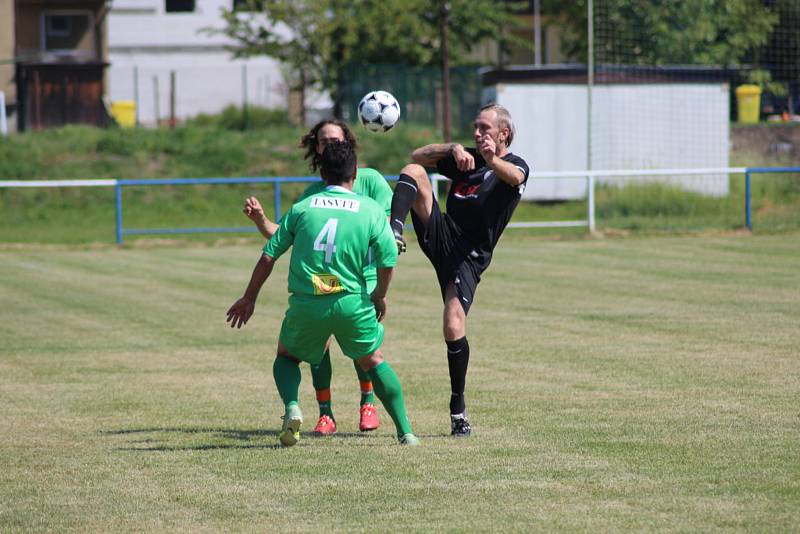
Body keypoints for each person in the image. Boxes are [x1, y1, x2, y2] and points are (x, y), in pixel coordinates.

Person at [227, 141, 419, 447]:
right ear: (355, 173)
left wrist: (249, 297)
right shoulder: (369, 210)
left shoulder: (303, 208)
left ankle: (292, 407)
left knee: (287, 358)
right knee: (373, 360)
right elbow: (388, 260)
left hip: (308, 303)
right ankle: (406, 432)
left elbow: (268, 255)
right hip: (351, 303)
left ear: (322, 172)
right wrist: (380, 295)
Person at [389, 103, 530, 437]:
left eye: (484, 128)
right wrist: (451, 149)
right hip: (443, 234)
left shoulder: (513, 165)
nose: (477, 133)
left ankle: (458, 411)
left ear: (503, 133)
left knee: (453, 325)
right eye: (475, 127)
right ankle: (392, 230)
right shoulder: (467, 159)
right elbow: (417, 154)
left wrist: (492, 159)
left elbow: (516, 177)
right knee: (414, 171)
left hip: (469, 256)